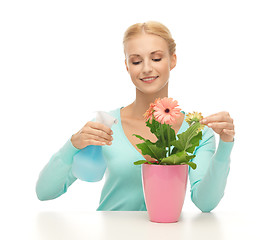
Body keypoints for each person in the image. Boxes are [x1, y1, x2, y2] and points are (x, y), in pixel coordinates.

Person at [36, 21, 235, 212]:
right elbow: (45, 192)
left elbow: (205, 202)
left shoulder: (196, 132)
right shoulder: (106, 126)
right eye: (136, 61)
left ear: (172, 60)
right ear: (127, 66)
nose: (147, 68)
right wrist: (72, 145)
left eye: (156, 58)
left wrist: (225, 144)